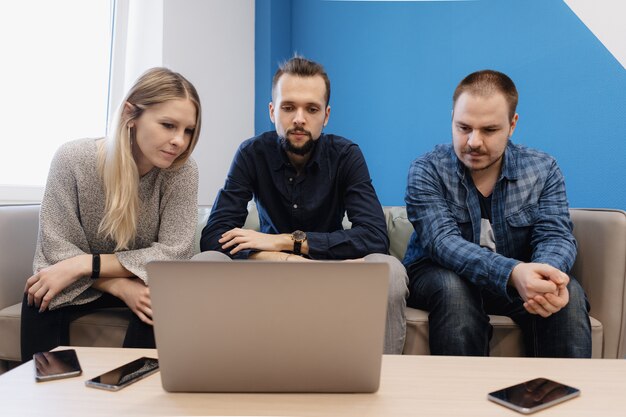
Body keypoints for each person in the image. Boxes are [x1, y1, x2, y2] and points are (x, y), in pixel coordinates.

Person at [199, 56, 408, 354]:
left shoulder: (346, 155)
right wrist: (289, 261)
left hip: (334, 274)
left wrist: (284, 242)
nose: (299, 118)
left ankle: (386, 383)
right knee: (205, 263)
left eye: (311, 109)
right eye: (288, 107)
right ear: (272, 112)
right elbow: (213, 237)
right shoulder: (251, 154)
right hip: (267, 274)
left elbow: (375, 237)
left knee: (390, 269)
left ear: (326, 116)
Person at [402, 70, 591, 357]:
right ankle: (462, 400)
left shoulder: (543, 169)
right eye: (463, 127)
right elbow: (442, 242)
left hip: (519, 279)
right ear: (452, 116)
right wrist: (513, 273)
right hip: (438, 274)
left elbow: (556, 235)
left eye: (489, 130)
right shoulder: (427, 170)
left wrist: (546, 277)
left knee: (570, 296)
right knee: (454, 290)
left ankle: (559, 398)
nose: (473, 142)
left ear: (512, 125)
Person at [21, 67, 202, 361]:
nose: (180, 141)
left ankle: (129, 396)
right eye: (168, 125)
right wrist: (118, 285)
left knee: (160, 303)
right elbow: (56, 249)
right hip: (87, 282)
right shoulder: (72, 159)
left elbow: (174, 252)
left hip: (140, 280)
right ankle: (44, 398)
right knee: (38, 296)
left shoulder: (182, 171)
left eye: (188, 130)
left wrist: (86, 263)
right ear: (130, 115)